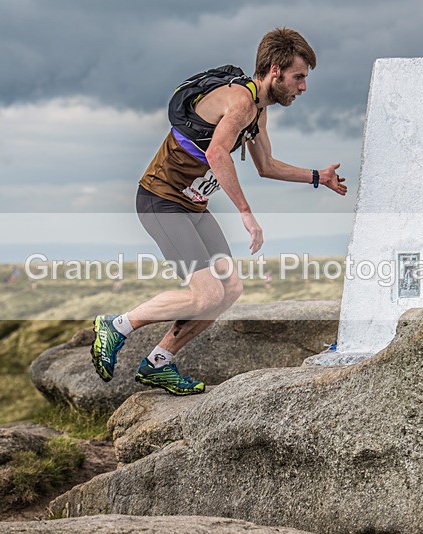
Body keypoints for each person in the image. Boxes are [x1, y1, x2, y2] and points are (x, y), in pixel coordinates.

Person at [91, 27, 347, 395]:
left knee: (230, 289)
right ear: (275, 71)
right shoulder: (240, 102)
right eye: (299, 77)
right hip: (161, 200)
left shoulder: (258, 111)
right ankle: (116, 326)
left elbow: (266, 165)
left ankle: (158, 362)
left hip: (192, 205)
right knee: (206, 295)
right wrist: (245, 212)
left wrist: (317, 176)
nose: (303, 87)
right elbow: (216, 153)